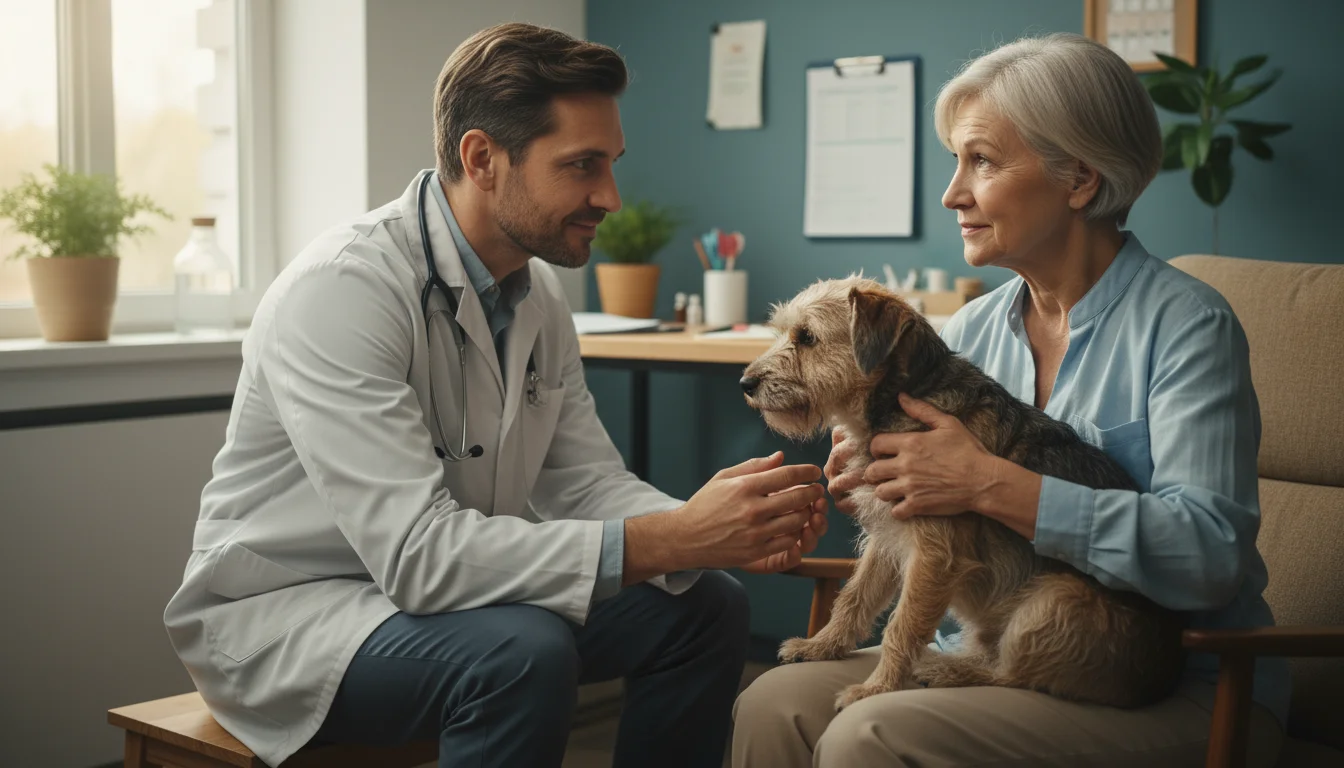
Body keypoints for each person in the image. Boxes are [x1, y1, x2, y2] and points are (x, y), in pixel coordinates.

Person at [164, 23, 829, 768]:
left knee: (705, 604)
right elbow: (419, 555)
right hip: (292, 618)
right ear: (482, 158)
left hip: (448, 598)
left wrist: (716, 527)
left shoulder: (537, 290)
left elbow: (583, 480)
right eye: (581, 166)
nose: (608, 195)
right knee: (520, 652)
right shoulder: (341, 291)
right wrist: (676, 538)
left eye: (610, 163)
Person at [732, 32, 1288, 768]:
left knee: (868, 738)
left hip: (1179, 678)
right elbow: (932, 530)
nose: (952, 192)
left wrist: (994, 484)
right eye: (956, 161)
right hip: (988, 645)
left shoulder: (1188, 327)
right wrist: (875, 472)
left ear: (1080, 179)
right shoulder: (969, 331)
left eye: (982, 161)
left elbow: (1211, 556)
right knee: (768, 703)